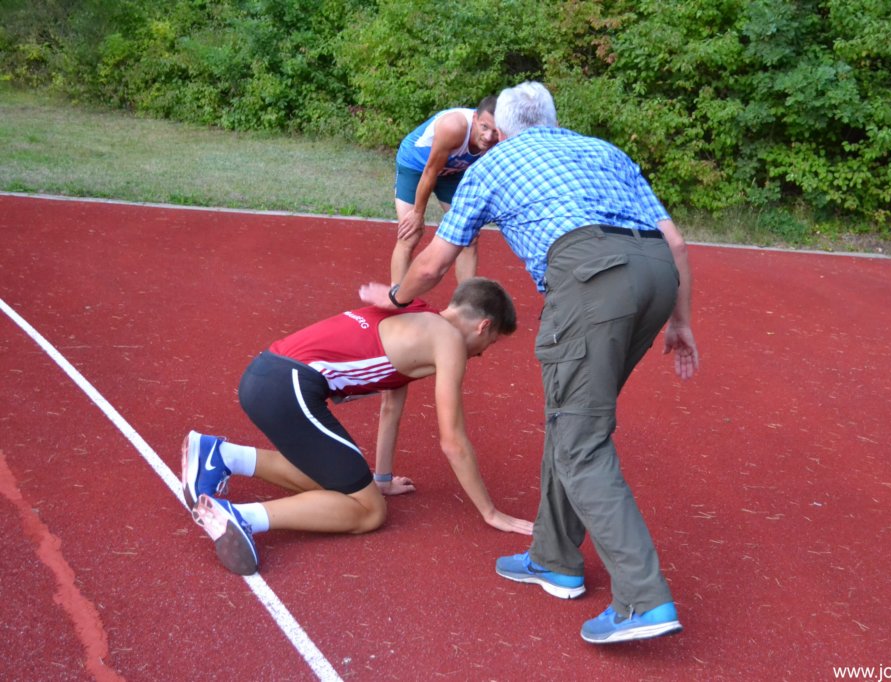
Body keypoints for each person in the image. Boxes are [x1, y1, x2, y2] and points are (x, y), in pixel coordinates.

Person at [360, 82, 699, 644]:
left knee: (581, 440)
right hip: (657, 277)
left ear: (501, 128)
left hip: (592, 281)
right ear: (554, 119)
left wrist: (394, 298)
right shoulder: (604, 150)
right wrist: (681, 322)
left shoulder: (492, 165)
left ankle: (644, 600)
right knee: (572, 421)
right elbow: (678, 245)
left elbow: (435, 263)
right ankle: (555, 558)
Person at [181, 277, 533, 576]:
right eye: (491, 343)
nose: (482, 353)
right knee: (369, 511)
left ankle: (222, 455)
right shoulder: (449, 341)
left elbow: (390, 407)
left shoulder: (414, 313)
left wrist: (382, 479)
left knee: (347, 488)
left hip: (266, 374)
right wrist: (491, 513)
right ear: (483, 326)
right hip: (290, 386)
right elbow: (453, 442)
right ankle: (242, 517)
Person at [392, 96, 499, 286]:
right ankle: (396, 296)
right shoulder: (454, 126)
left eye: (495, 131)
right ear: (475, 118)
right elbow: (430, 171)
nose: (489, 137)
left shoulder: (505, 136)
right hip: (417, 166)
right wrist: (417, 213)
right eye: (484, 127)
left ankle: (467, 300)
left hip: (452, 171)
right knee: (410, 233)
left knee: (468, 236)